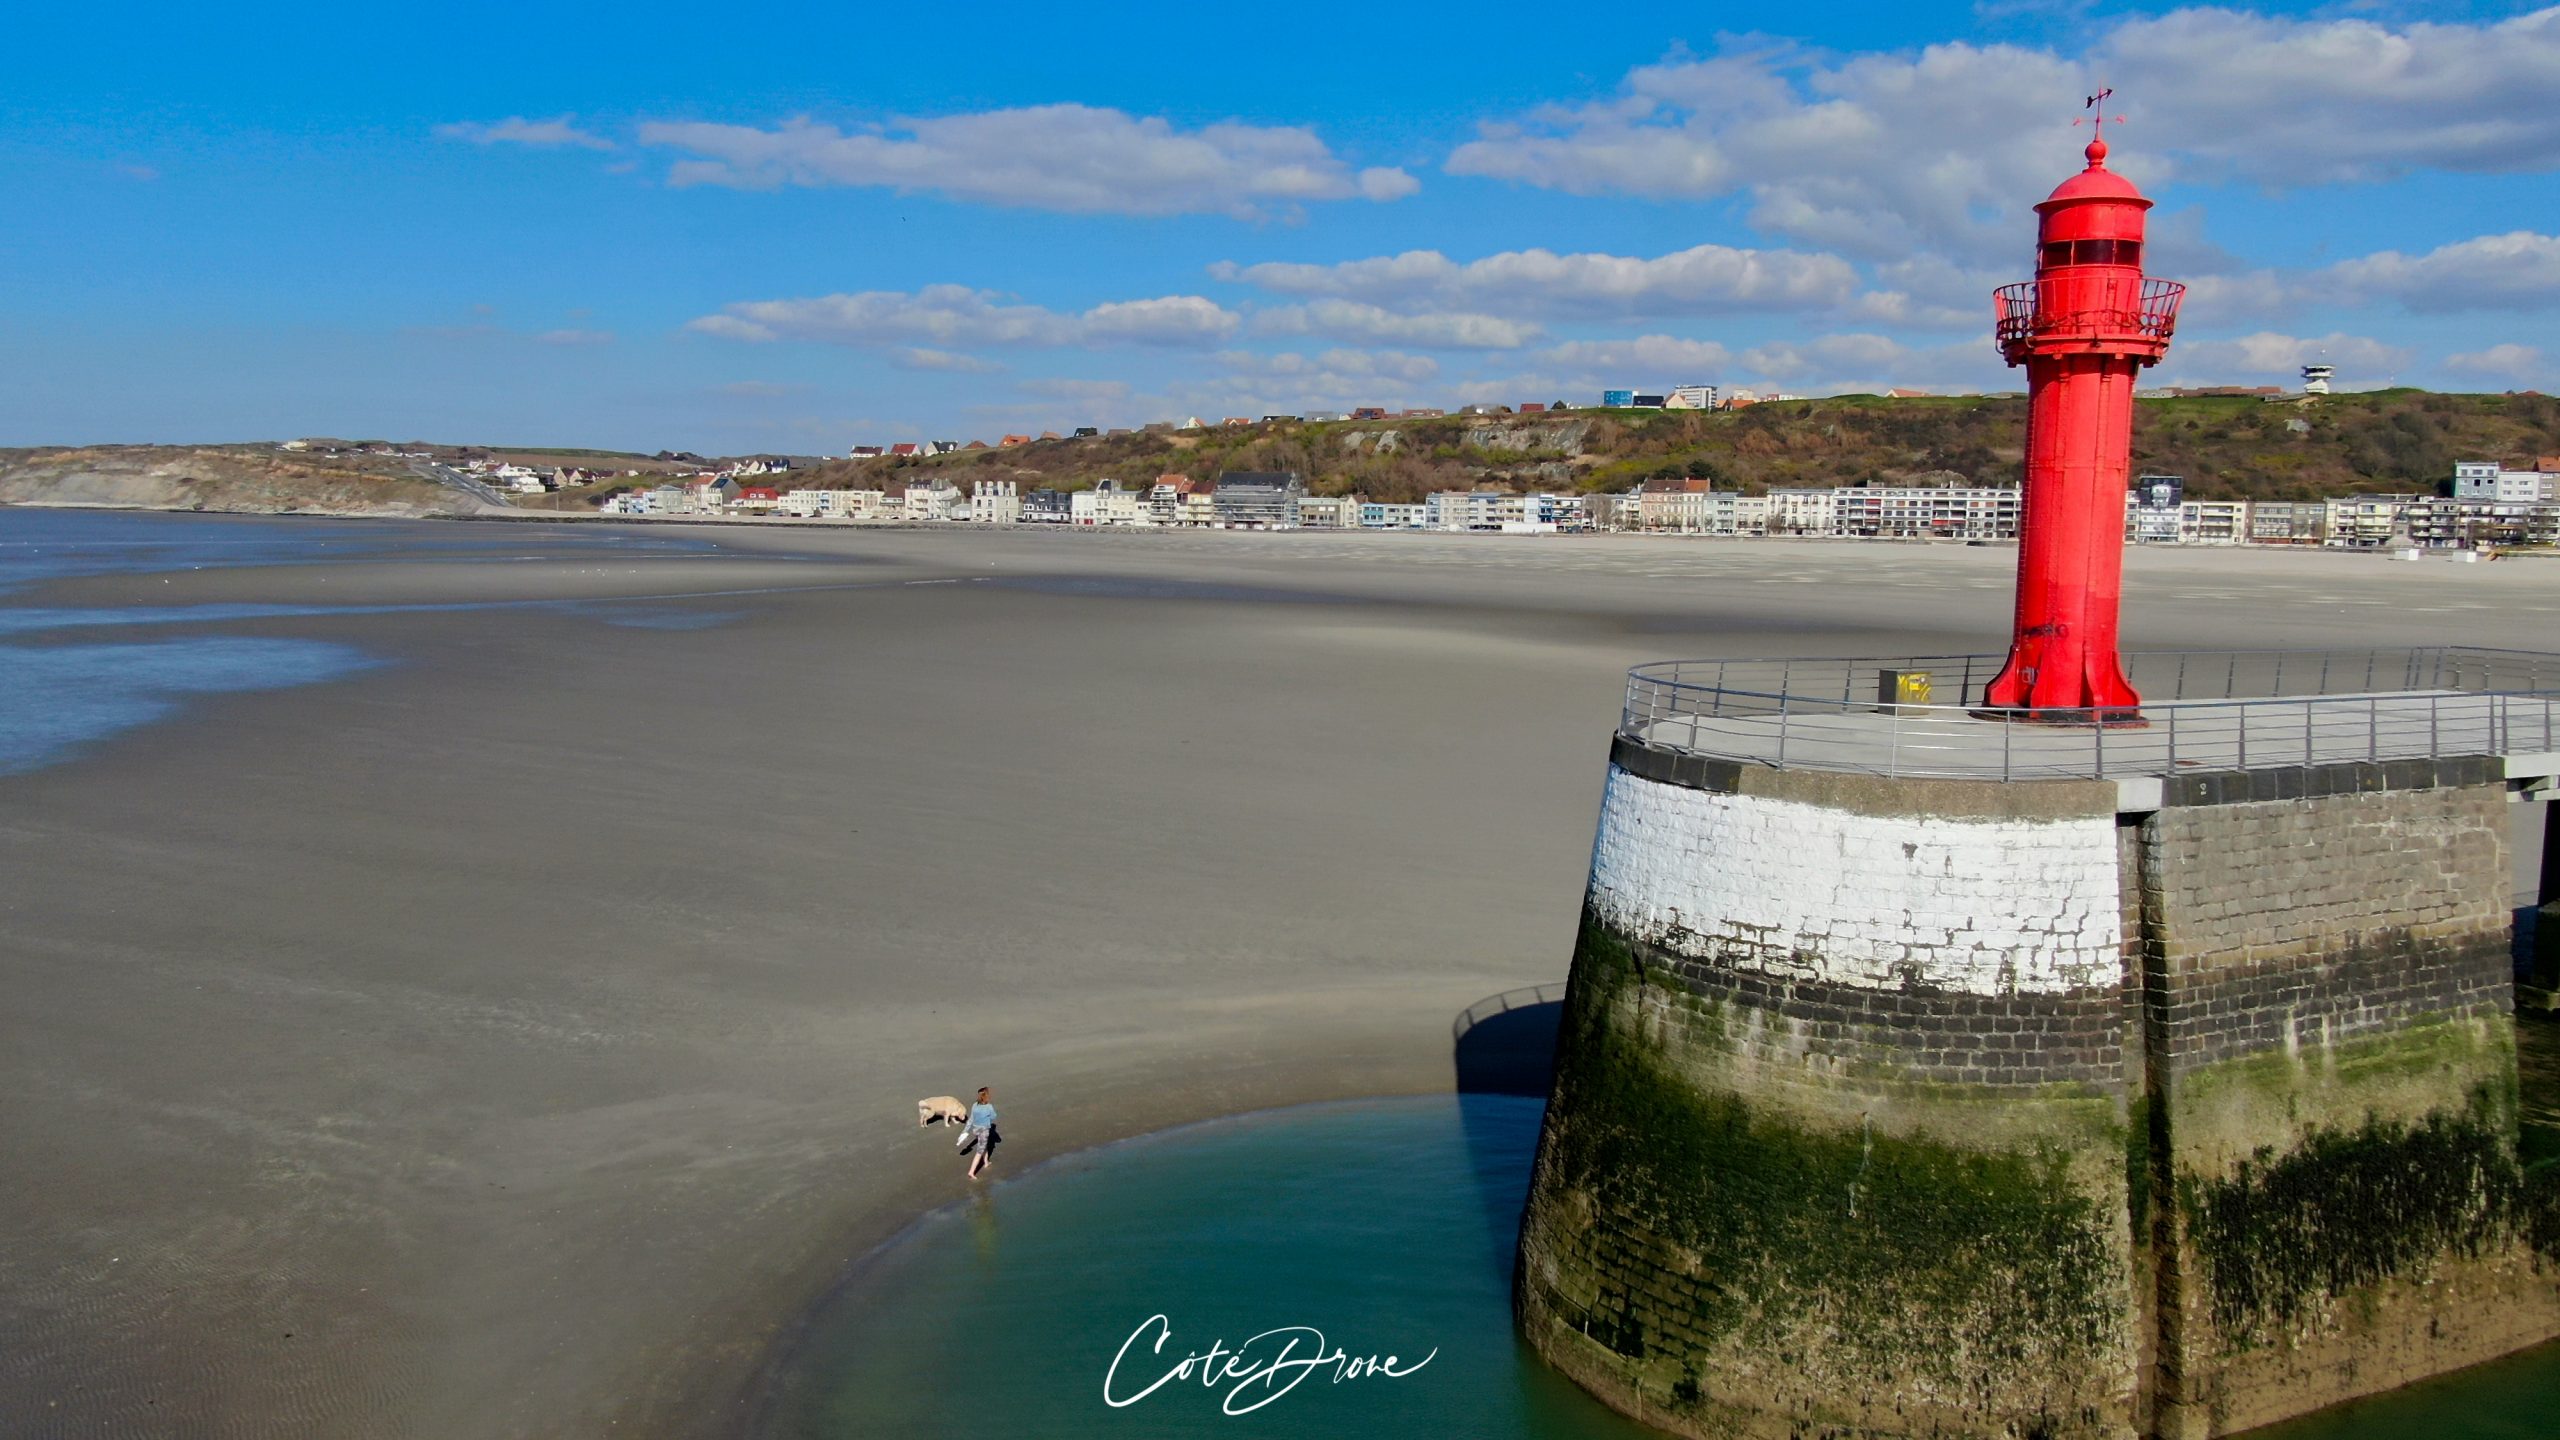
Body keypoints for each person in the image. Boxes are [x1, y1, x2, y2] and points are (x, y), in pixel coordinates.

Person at [962, 1086, 1000, 1180]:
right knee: (979, 1152)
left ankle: (986, 1162)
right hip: (983, 1131)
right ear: (986, 1096)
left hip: (976, 1130)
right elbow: (994, 1116)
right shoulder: (988, 1107)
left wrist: (965, 1130)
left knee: (984, 1145)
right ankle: (971, 1171)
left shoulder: (975, 1105)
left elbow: (971, 1119)